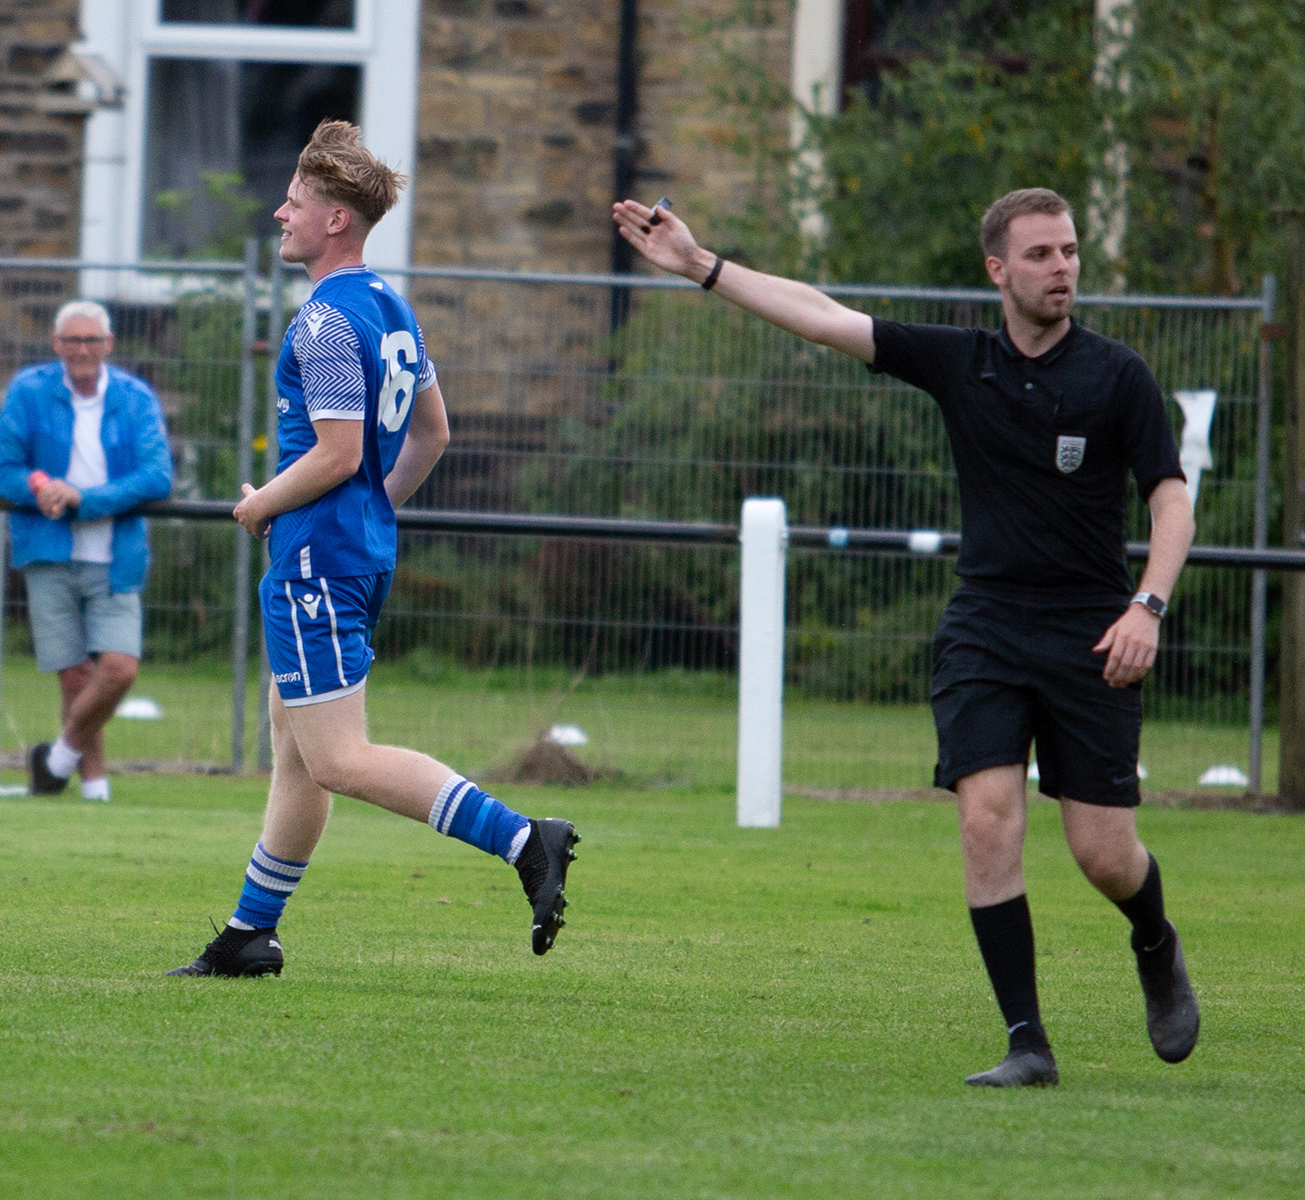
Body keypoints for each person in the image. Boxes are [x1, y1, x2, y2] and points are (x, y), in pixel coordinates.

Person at [611, 187, 1199, 1087]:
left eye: (1071, 251)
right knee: (986, 819)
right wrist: (701, 266)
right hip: (986, 628)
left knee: (1103, 854)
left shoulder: (1118, 376)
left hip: (1093, 632)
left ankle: (1154, 938)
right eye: (1041, 254)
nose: (1063, 268)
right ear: (997, 269)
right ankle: (1028, 1042)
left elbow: (1172, 502)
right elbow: (822, 316)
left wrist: (1146, 606)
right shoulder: (962, 363)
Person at [164, 121, 577, 981]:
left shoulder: (322, 320)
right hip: (351, 551)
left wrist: (262, 504)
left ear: (336, 220)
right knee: (296, 749)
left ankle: (522, 839)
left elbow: (337, 453)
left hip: (316, 559)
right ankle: (249, 935)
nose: (280, 213)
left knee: (337, 758)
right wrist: (371, 511)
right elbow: (433, 433)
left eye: (296, 202)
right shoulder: (390, 304)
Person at [0, 298, 175, 801]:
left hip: (117, 555)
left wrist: (84, 500)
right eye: (72, 340)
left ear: (109, 344)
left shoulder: (135, 398)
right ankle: (94, 789)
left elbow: (157, 475)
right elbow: (1, 470)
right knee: (73, 677)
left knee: (119, 669)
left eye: (92, 340)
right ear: (56, 344)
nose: (82, 350)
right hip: (47, 551)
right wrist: (39, 487)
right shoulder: (28, 391)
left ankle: (55, 759)